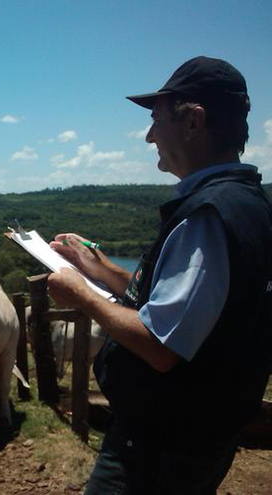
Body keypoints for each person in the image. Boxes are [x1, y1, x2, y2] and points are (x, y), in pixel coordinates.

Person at [47, 56, 272, 494]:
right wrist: (101, 269)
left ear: (192, 121)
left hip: (159, 445)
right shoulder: (248, 205)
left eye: (157, 121)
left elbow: (160, 344)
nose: (150, 136)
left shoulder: (207, 216)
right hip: (203, 431)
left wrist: (84, 296)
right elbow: (186, 302)